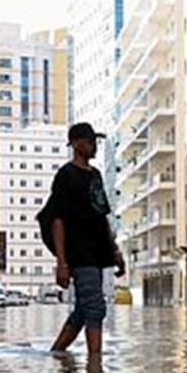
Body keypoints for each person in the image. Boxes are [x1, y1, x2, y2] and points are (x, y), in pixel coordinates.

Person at [45, 122, 126, 356]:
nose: (95, 147)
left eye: (96, 142)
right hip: (79, 252)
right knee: (95, 307)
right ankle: (94, 366)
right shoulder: (66, 175)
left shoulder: (97, 175)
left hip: (98, 251)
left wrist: (116, 252)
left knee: (83, 309)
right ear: (77, 144)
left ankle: (57, 354)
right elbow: (57, 220)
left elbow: (102, 217)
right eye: (91, 142)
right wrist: (62, 262)